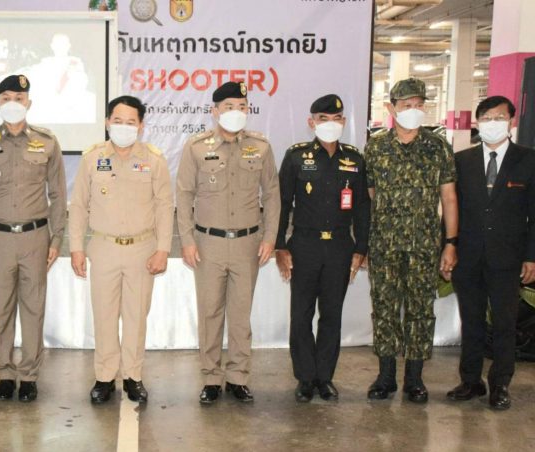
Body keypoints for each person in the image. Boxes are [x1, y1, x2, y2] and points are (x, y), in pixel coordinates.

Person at [176, 81, 280, 404]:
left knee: (240, 315)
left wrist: (270, 237)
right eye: (230, 107)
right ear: (215, 111)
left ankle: (238, 377)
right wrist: (187, 240)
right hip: (209, 244)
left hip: (248, 243)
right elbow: (184, 195)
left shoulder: (260, 147)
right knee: (210, 313)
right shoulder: (196, 147)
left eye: (242, 107)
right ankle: (211, 378)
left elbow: (272, 194)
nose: (237, 112)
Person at [0, 74, 67, 402]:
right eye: (6, 98)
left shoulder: (47, 141)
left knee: (33, 308)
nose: (13, 103)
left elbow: (58, 195)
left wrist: (56, 240)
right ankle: (6, 373)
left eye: (19, 98)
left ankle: (29, 376)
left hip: (36, 237)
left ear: (29, 103)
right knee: (3, 308)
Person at [69, 95, 173, 404]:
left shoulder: (154, 160)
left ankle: (132, 376)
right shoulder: (92, 158)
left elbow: (164, 206)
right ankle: (104, 377)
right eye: (118, 121)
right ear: (107, 122)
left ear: (141, 126)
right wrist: (76, 248)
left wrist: (163, 249)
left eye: (131, 122)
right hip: (103, 247)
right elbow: (79, 206)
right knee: (104, 315)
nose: (123, 127)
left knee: (136, 316)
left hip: (142, 249)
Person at [364, 77, 458, 403]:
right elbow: (370, 195)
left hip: (424, 245)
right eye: (407, 105)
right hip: (384, 244)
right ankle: (386, 376)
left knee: (420, 310)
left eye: (419, 104)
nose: (414, 110)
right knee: (385, 309)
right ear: (392, 109)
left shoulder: (438, 147)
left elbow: (449, 198)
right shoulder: (376, 147)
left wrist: (450, 242)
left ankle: (414, 379)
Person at [275, 94, 370, 403]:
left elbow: (362, 207)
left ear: (344, 122)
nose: (330, 124)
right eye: (323, 119)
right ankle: (305, 378)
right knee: (301, 314)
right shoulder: (296, 156)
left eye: (336, 119)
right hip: (304, 245)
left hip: (341, 246)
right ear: (311, 122)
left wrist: (361, 247)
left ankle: (325, 377)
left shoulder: (355, 159)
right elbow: (282, 203)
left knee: (331, 314)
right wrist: (279, 246)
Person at [447, 96, 535, 410]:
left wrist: (531, 256)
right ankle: (471, 380)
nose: (492, 122)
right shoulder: (462, 160)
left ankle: (500, 384)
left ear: (511, 120)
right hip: (468, 256)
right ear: (478, 123)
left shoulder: (528, 159)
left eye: (499, 117)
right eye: (486, 117)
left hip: (507, 258)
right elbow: (451, 209)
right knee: (471, 321)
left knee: (504, 324)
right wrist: (449, 246)